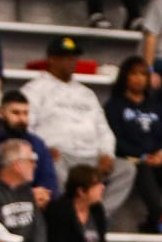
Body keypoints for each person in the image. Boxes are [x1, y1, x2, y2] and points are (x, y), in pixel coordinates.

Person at [27, 37, 135, 214]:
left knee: (126, 169)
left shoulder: (86, 93)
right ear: (52, 59)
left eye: (74, 57)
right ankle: (67, 214)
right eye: (66, 57)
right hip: (61, 156)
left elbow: (103, 129)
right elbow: (27, 127)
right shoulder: (34, 90)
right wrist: (42, 149)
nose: (72, 62)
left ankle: (97, 215)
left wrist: (106, 153)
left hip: (91, 157)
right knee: (51, 166)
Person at [105, 56, 162, 233]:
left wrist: (161, 152)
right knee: (142, 168)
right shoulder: (114, 106)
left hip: (156, 156)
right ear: (125, 77)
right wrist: (142, 156)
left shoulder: (156, 105)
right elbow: (114, 138)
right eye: (134, 74)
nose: (139, 78)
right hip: (130, 156)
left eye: (143, 74)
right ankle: (157, 215)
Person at [0, 90, 58, 196]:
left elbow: (49, 181)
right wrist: (29, 196)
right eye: (16, 113)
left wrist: (44, 195)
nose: (22, 119)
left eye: (25, 113)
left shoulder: (37, 144)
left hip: (36, 206)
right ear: (2, 113)